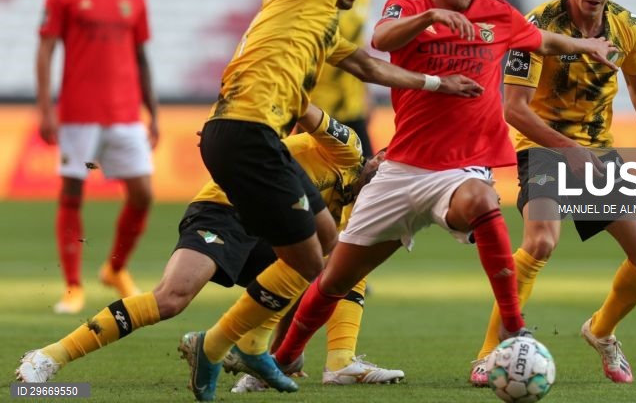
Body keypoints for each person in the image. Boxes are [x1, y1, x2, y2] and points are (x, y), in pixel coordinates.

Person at [271, 0, 619, 380]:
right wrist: (431, 16)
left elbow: (542, 41)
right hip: (400, 170)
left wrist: (585, 45)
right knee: (335, 278)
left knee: (481, 199)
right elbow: (383, 36)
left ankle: (514, 328)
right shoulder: (409, 5)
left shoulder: (496, 13)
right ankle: (281, 362)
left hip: (459, 169)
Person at [185, 0, 492, 402]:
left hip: (254, 137)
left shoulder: (319, 21)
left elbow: (370, 65)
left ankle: (251, 343)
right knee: (312, 262)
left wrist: (437, 84)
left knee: (332, 244)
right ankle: (224, 344)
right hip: (246, 133)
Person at [16, 104, 402, 391]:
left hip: (268, 232)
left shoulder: (357, 212)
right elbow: (302, 106)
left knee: (333, 269)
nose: (385, 166)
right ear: (379, 154)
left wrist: (289, 347)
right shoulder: (348, 148)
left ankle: (301, 364)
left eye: (397, 169)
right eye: (386, 158)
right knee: (171, 298)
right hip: (226, 209)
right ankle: (49, 356)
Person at [467, 0, 636, 386]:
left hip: (596, 151)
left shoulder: (628, 28)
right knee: (542, 240)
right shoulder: (537, 27)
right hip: (544, 147)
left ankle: (601, 331)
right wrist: (569, 150)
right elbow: (514, 109)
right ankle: (490, 354)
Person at [35, 0, 158, 314]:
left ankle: (114, 269)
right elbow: (47, 49)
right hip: (78, 114)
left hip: (124, 113)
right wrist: (45, 107)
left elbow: (141, 58)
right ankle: (72, 286)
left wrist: (153, 112)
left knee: (143, 194)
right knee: (73, 192)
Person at [312, 0, 375, 157]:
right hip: (316, 107)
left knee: (365, 175)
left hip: (352, 105)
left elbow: (358, 45)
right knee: (309, 176)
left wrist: (365, 93)